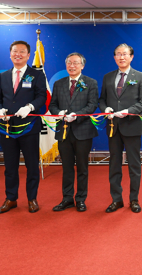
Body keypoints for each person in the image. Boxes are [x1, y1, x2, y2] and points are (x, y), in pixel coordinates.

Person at [0, 40, 47, 214]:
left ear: (28, 55)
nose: (18, 54)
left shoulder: (36, 74)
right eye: (15, 51)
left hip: (29, 126)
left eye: (22, 52)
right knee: (10, 166)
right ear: (10, 54)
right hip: (8, 127)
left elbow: (41, 97)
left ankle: (32, 198)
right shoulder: (3, 75)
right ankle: (11, 198)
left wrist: (30, 107)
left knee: (31, 165)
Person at [98, 44, 142, 213]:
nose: (121, 57)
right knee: (114, 164)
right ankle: (116, 199)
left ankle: (134, 199)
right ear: (114, 58)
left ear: (131, 57)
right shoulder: (107, 77)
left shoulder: (140, 77)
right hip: (113, 127)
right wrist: (105, 108)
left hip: (132, 126)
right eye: (118, 54)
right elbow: (102, 99)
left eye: (125, 54)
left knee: (134, 165)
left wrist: (128, 112)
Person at [49, 53, 98, 213]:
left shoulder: (90, 83)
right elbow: (52, 105)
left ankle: (81, 199)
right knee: (67, 167)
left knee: (82, 168)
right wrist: (60, 113)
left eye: (76, 63)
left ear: (82, 66)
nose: (72, 66)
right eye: (69, 63)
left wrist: (76, 116)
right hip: (64, 132)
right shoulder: (58, 84)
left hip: (83, 131)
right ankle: (67, 198)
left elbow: (92, 106)